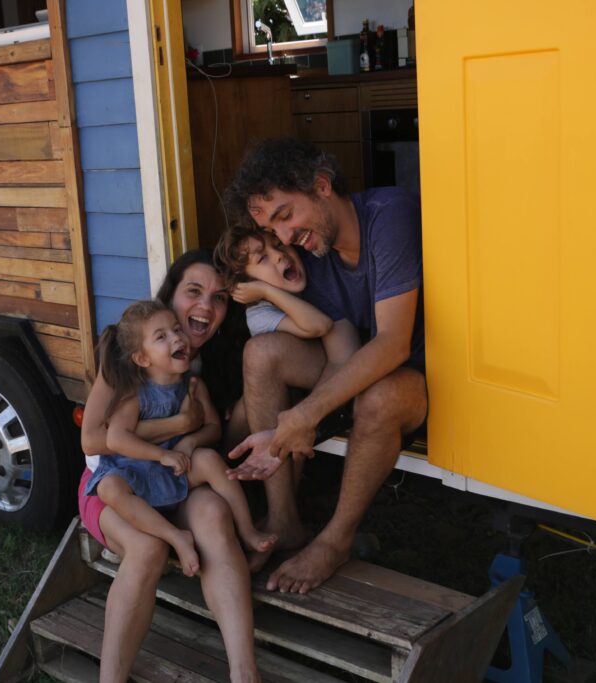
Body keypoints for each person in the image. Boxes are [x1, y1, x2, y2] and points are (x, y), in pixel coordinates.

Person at [223, 137, 428, 594]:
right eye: (273, 232)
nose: (285, 238)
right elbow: (342, 356)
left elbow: (393, 344)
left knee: (381, 394)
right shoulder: (315, 258)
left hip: (423, 379)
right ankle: (284, 522)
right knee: (262, 354)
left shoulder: (388, 215)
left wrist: (305, 415)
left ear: (321, 186)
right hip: (365, 373)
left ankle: (335, 541)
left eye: (285, 216)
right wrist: (285, 428)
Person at [79, 252, 259, 683]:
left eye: (218, 297)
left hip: (174, 479)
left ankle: (244, 673)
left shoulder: (209, 365)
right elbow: (92, 440)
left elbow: (212, 434)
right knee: (148, 550)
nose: (205, 307)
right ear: (170, 296)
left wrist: (195, 436)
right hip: (116, 480)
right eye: (193, 292)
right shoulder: (124, 358)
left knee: (215, 516)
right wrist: (178, 425)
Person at [83, 299, 276, 577]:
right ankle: (175, 536)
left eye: (176, 330)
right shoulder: (134, 393)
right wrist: (161, 454)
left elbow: (213, 428)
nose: (176, 338)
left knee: (210, 459)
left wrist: (190, 442)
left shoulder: (193, 385)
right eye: (161, 337)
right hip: (135, 471)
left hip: (173, 467)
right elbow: (116, 439)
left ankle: (246, 530)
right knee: (108, 489)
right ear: (142, 358)